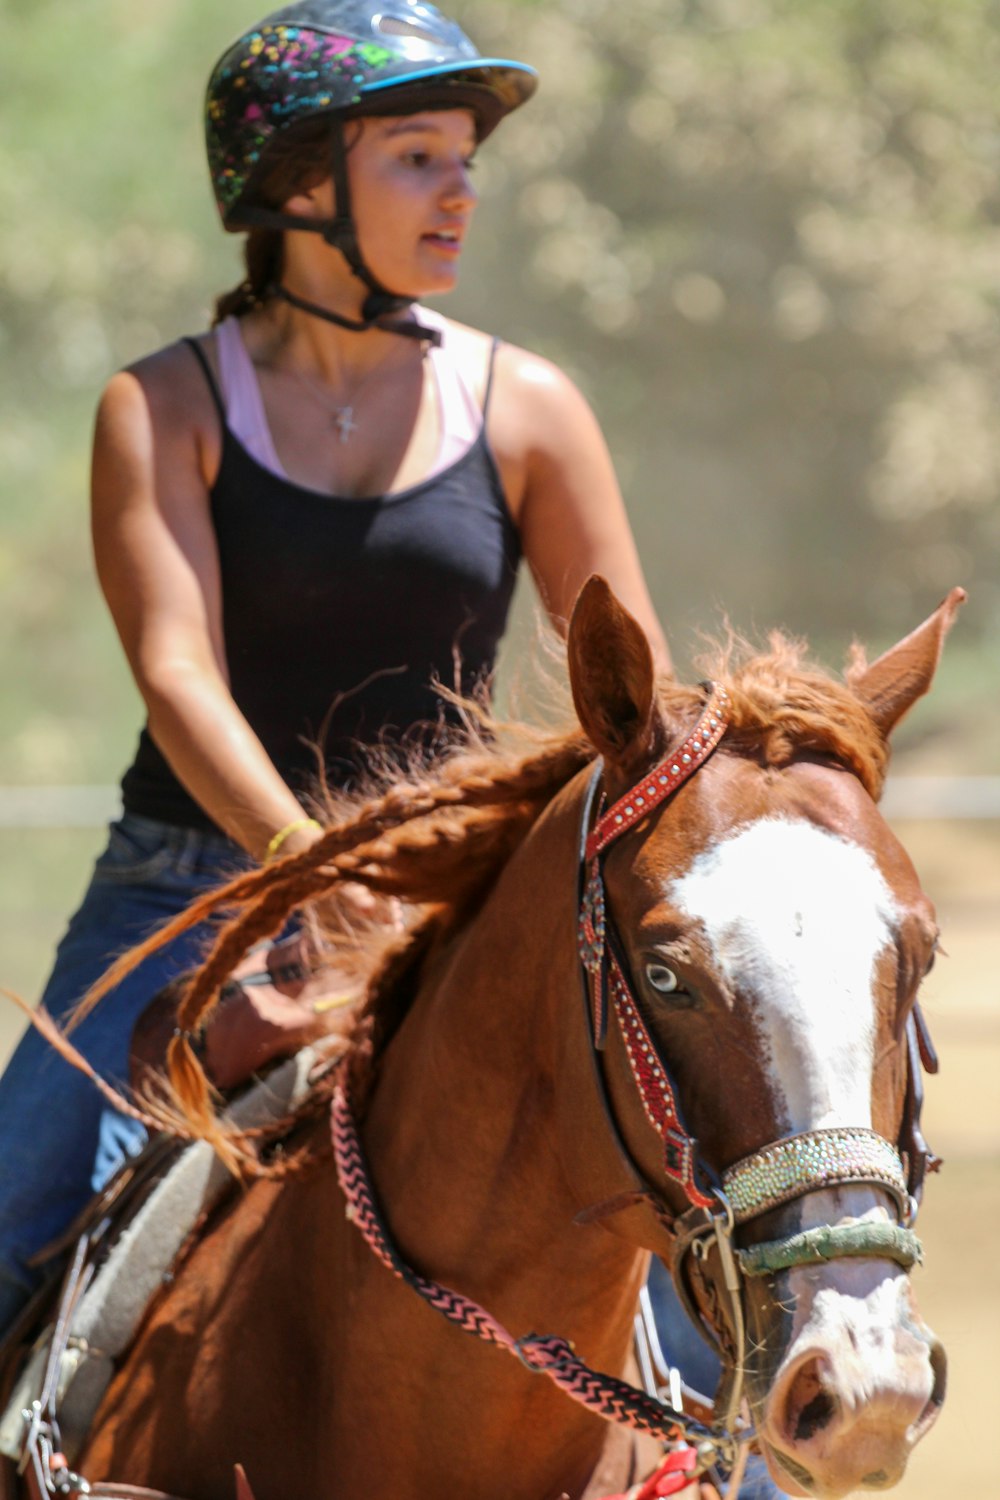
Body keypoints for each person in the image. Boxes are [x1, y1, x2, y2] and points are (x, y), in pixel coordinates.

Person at [0, 6, 784, 1493]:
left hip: (461, 906)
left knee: (697, 1292)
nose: (461, 192)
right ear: (298, 184)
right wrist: (314, 871)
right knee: (8, 1217)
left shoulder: (531, 409)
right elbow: (178, 675)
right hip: (189, 891)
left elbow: (638, 702)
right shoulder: (162, 407)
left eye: (467, 160)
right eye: (418, 157)